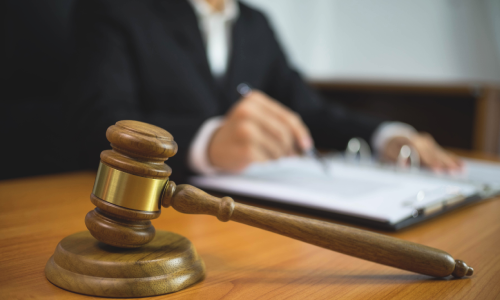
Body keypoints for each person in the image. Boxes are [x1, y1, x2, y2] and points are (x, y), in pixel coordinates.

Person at [65, 0, 462, 181]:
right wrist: (207, 142)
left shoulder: (256, 24)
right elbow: (98, 121)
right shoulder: (116, 8)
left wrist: (387, 134)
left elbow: (309, 110)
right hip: (151, 204)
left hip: (250, 213)